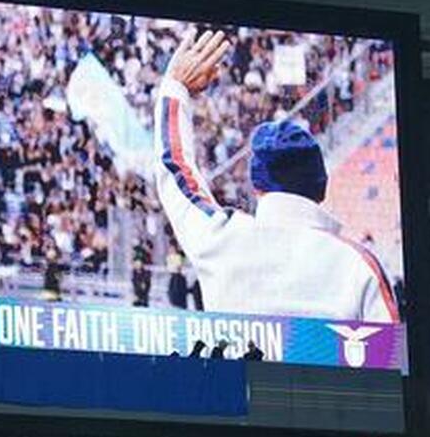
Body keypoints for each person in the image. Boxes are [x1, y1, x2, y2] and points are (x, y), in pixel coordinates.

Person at [151, 29, 399, 323]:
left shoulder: (223, 239)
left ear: (257, 185)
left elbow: (175, 168)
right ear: (321, 186)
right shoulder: (360, 266)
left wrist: (175, 88)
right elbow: (394, 359)